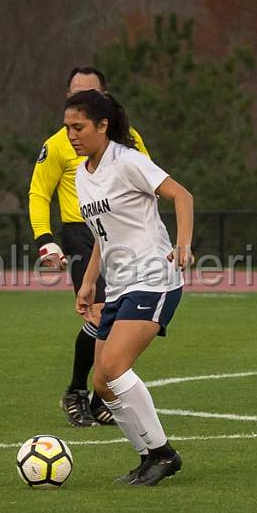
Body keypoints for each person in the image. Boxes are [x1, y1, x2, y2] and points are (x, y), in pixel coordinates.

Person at [69, 89, 194, 486]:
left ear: (103, 126)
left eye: (79, 127)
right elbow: (102, 238)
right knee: (102, 383)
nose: (71, 135)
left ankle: (164, 454)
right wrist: (90, 283)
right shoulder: (80, 176)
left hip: (154, 277)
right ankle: (146, 457)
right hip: (120, 285)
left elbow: (182, 195)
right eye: (67, 127)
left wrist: (183, 244)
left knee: (114, 367)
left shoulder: (128, 162)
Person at [28, 66, 151, 428]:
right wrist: (45, 240)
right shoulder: (57, 145)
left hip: (124, 237)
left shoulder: (129, 141)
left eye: (90, 95)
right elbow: (38, 193)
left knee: (123, 318)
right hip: (83, 234)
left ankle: (101, 398)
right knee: (98, 314)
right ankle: (77, 392)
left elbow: (149, 182)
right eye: (73, 96)